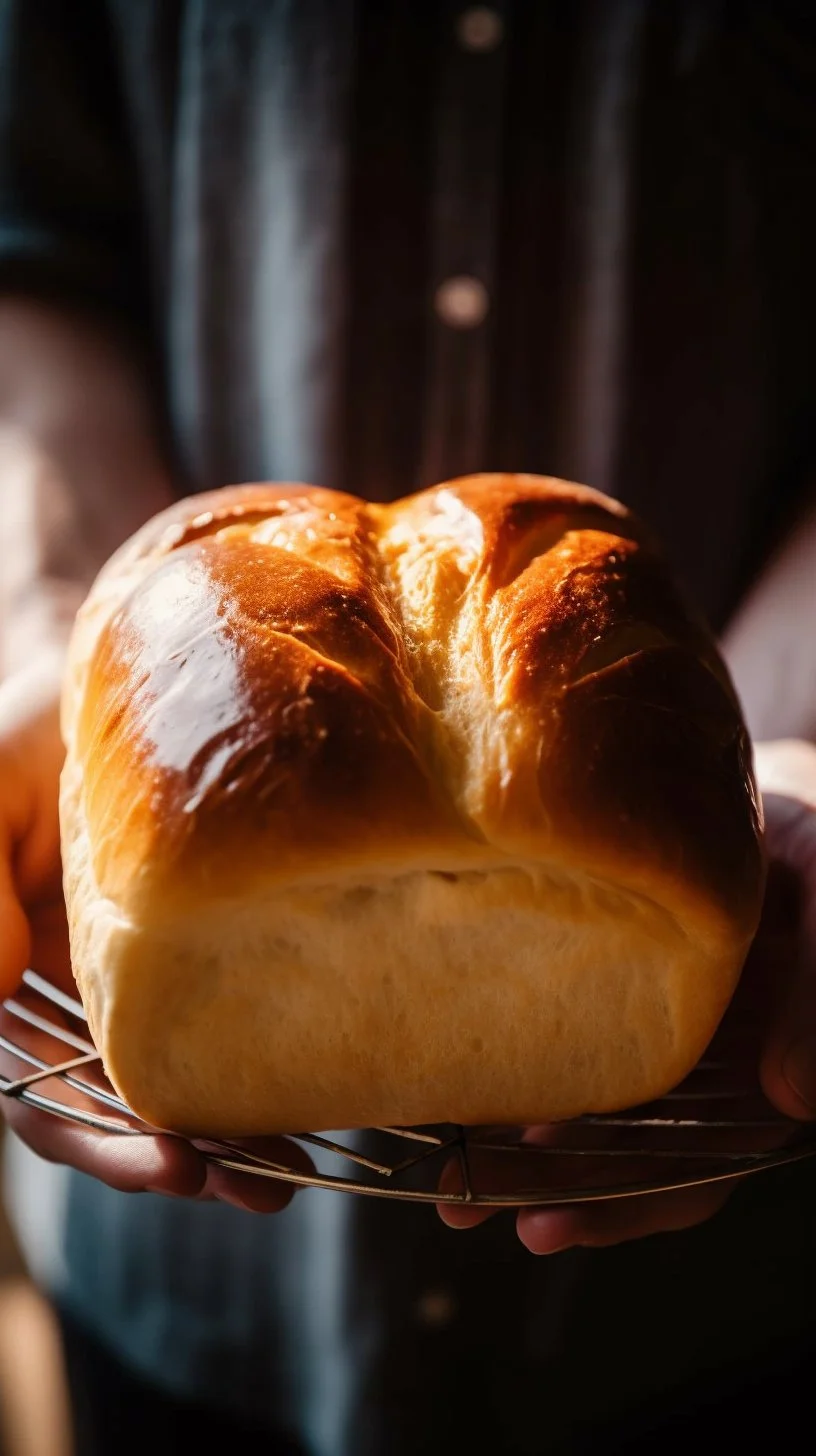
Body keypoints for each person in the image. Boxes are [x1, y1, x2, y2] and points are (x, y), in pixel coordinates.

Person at [0, 3, 815, 1452]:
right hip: (188, 1317)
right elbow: (30, 249)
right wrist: (44, 618)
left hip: (725, 1309)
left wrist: (793, 732)